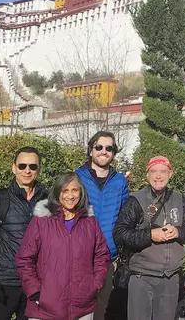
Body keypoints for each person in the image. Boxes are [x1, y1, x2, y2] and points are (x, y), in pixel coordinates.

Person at [16, 173, 110, 320]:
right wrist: (35, 291)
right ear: (57, 192)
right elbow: (24, 259)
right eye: (65, 190)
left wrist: (95, 285)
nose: (70, 196)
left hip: (82, 308)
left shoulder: (90, 222)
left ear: (81, 192)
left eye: (75, 190)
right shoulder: (42, 221)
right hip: (45, 308)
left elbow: (102, 255)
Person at [113, 156, 185, 320]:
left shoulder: (180, 199)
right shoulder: (136, 200)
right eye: (153, 171)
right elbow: (120, 233)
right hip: (141, 277)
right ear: (147, 175)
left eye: (163, 171)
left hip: (170, 278)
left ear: (170, 174)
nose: (158, 176)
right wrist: (150, 235)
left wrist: (178, 232)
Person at [0, 146, 49, 320]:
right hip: (4, 283)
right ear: (14, 167)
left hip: (36, 285)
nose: (27, 171)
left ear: (39, 169)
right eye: (22, 166)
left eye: (33, 166)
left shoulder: (48, 202)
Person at [75, 130, 130, 320]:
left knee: (100, 311)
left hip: (108, 257)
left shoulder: (120, 181)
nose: (104, 151)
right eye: (99, 147)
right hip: (80, 257)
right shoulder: (76, 178)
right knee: (79, 310)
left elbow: (124, 217)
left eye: (109, 148)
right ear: (91, 150)